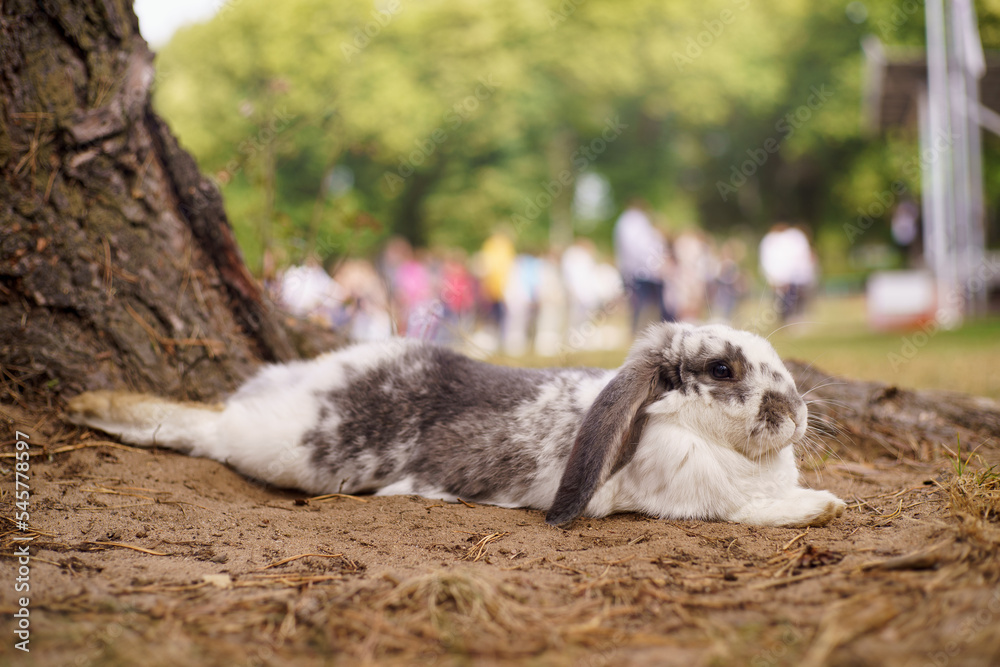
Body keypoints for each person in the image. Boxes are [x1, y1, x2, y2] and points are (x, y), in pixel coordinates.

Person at [613, 198, 671, 333]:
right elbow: (641, 248)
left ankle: (639, 331)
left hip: (634, 270)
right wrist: (655, 266)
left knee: (639, 304)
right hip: (642, 271)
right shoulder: (635, 221)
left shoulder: (625, 222)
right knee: (644, 304)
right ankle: (641, 332)